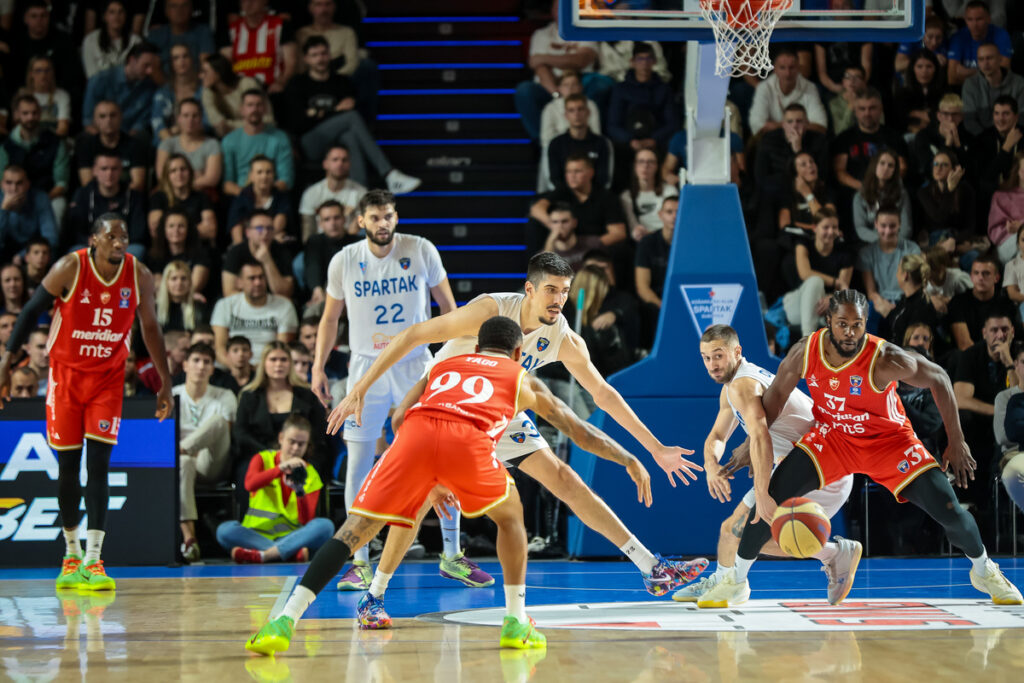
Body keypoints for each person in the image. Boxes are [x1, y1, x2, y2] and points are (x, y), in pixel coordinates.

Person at [247, 315, 680, 653]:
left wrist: (430, 476)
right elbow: (580, 432)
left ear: (476, 345)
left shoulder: (445, 364)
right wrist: (627, 458)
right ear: (516, 351)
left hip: (414, 435)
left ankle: (283, 621)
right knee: (511, 519)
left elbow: (401, 417)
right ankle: (516, 622)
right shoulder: (521, 377)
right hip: (468, 441)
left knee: (353, 532)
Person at [327, 252, 708, 625]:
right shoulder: (489, 311)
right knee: (421, 500)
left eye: (564, 291)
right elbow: (415, 334)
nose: (558, 299)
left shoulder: (563, 337)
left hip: (499, 410)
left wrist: (654, 447)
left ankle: (652, 567)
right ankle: (375, 594)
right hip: (449, 404)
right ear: (529, 289)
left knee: (562, 477)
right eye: (550, 290)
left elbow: (604, 395)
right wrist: (360, 387)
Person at [696, 289, 1022, 608]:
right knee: (768, 498)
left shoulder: (884, 357)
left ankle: (984, 569)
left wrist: (956, 440)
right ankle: (736, 581)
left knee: (949, 509)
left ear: (866, 322)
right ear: (829, 321)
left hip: (889, 443)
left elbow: (938, 378)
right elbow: (774, 401)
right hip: (834, 438)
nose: (850, 333)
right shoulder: (805, 352)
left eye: (858, 325)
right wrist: (745, 445)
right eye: (842, 324)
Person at [0, 213, 173, 591]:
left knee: (98, 465)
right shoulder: (70, 267)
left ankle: (94, 559)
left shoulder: (138, 273)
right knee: (67, 467)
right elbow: (29, 313)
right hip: (66, 378)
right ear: (93, 240)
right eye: (111, 236)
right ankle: (71, 553)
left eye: (124, 236)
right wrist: (6, 361)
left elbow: (150, 327)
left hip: (108, 381)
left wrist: (164, 381)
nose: (119, 242)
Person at [310, 189, 459, 592]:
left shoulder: (420, 249)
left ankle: (453, 553)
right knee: (358, 460)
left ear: (396, 217)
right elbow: (329, 318)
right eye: (375, 218)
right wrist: (318, 365)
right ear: (361, 221)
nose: (383, 224)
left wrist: (451, 356)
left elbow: (450, 309)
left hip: (415, 366)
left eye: (389, 216)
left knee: (440, 454)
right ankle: (358, 560)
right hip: (366, 368)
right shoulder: (344, 260)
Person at [676, 325, 855, 604]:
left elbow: (760, 438)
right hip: (799, 465)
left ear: (737, 352)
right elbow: (717, 437)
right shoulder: (731, 389)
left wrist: (762, 493)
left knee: (749, 531)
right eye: (706, 357)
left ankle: (738, 583)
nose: (712, 364)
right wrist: (711, 465)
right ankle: (724, 579)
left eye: (718, 356)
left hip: (824, 470)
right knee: (730, 530)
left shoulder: (743, 385)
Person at [284, 36, 419, 193]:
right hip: (311, 144)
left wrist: (318, 113)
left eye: (323, 53)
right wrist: (335, 112)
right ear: (306, 59)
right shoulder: (298, 83)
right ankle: (389, 174)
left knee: (350, 135)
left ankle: (360, 196)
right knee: (350, 118)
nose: (320, 59)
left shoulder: (341, 82)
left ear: (329, 55)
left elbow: (356, 113)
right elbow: (297, 123)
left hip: (339, 141)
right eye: (314, 55)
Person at [219, 413, 332, 563]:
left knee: (325, 526)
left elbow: (307, 519)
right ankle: (286, 553)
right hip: (255, 533)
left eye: (301, 444)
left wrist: (299, 492)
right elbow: (250, 484)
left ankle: (264, 555)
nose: (295, 448)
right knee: (225, 530)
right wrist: (279, 469)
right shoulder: (262, 459)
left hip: (292, 535)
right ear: (281, 438)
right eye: (291, 441)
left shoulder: (310, 472)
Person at [233, 342, 328, 498]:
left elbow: (318, 432)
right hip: (260, 455)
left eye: (283, 360)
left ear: (290, 364)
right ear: (264, 363)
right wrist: (273, 454)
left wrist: (298, 452)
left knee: (314, 469)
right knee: (245, 471)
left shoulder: (306, 395)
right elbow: (240, 433)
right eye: (273, 359)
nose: (279, 364)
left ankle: (307, 519)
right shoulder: (249, 396)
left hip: (301, 454)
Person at [175, 341, 237, 562]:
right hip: (183, 465)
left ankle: (181, 449)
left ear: (212, 368)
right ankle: (189, 538)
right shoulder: (173, 395)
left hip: (212, 463)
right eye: (196, 360)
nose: (201, 366)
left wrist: (185, 447)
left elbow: (225, 432)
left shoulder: (225, 395)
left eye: (207, 362)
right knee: (183, 463)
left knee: (219, 421)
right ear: (185, 365)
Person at [953, 312, 1017, 501]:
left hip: (1012, 425)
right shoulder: (971, 355)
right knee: (964, 419)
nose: (1000, 335)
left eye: (1004, 329)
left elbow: (1018, 398)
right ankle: (971, 502)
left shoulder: (1019, 354)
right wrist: (999, 411)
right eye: (994, 330)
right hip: (980, 425)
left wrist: (1008, 363)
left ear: (1012, 332)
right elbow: (961, 399)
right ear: (984, 333)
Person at [782, 208, 854, 336]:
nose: (831, 232)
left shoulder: (845, 253)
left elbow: (843, 287)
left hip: (825, 307)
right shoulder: (803, 244)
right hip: (797, 304)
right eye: (825, 227)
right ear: (815, 228)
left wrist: (832, 298)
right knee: (815, 282)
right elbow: (805, 273)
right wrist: (834, 281)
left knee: (839, 305)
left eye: (834, 227)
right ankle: (808, 340)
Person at [211, 260, 297, 365]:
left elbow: (282, 349)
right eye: (252, 278)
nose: (258, 282)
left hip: (270, 369)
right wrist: (239, 369)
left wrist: (260, 372)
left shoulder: (284, 306)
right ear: (239, 282)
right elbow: (219, 348)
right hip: (232, 370)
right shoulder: (225, 305)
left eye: (261, 277)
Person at [2, 95, 70, 227]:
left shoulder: (55, 142)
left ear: (40, 114)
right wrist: (15, 199)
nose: (30, 117)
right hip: (14, 194)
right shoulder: (6, 146)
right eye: (25, 113)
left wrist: (41, 201)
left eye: (34, 113)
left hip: (48, 196)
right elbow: (1, 181)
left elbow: (61, 183)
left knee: (59, 205)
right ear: (16, 115)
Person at [65, 151, 147, 258]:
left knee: (137, 250)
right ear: (94, 171)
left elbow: (138, 232)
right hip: (92, 245)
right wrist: (88, 240)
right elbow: (75, 229)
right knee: (75, 252)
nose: (109, 174)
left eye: (114, 169)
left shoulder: (133, 196)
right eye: (104, 169)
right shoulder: (83, 194)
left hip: (123, 246)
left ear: (121, 171)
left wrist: (118, 242)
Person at [606, 42, 678, 152]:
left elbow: (672, 123)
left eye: (648, 59)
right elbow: (612, 124)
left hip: (656, 144)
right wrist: (630, 140)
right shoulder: (620, 89)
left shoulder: (664, 89)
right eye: (640, 59)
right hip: (627, 145)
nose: (644, 63)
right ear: (632, 62)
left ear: (654, 61)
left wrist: (654, 139)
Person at [221, 89, 294, 196]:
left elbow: (286, 179)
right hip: (242, 196)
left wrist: (264, 195)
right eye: (250, 105)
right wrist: (249, 197)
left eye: (259, 105)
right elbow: (227, 183)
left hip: (273, 195)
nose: (254, 109)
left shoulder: (280, 138)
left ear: (265, 109)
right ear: (242, 109)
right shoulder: (229, 141)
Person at [82, 41, 161, 137]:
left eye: (153, 67)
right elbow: (88, 122)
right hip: (100, 138)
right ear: (132, 60)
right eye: (146, 65)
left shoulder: (150, 86)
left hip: (129, 141)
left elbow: (139, 126)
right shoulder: (101, 80)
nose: (150, 71)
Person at [754, 104, 829, 199]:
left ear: (807, 124)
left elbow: (821, 176)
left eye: (799, 121)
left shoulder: (819, 140)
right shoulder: (768, 140)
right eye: (790, 122)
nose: (794, 125)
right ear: (783, 125)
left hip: (809, 191)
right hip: (777, 192)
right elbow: (761, 178)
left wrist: (798, 150)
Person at [543, 93, 614, 192]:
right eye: (571, 110)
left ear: (588, 112)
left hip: (595, 197)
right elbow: (554, 178)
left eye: (580, 109)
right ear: (566, 115)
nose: (576, 114)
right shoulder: (556, 144)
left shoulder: (602, 143)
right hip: (564, 196)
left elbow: (604, 178)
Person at [859, 207, 922, 319]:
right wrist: (883, 304)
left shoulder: (912, 249)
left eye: (892, 226)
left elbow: (916, 286)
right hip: (880, 302)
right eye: (883, 226)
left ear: (899, 225)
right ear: (876, 225)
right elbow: (871, 291)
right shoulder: (866, 253)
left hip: (907, 300)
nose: (887, 231)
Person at [948, 252, 1018, 349]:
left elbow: (1015, 339)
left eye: (986, 273)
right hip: (969, 359)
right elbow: (964, 345)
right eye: (976, 273)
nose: (980, 278)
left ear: (996, 278)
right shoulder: (958, 302)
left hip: (1002, 357)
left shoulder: (1007, 305)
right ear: (971, 277)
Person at [749, 49, 828, 135]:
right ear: (775, 69)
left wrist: (777, 126)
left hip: (803, 140)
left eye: (792, 67)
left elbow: (821, 126)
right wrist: (800, 127)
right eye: (782, 68)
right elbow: (757, 125)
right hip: (773, 140)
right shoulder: (764, 88)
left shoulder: (809, 87)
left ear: (798, 68)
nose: (788, 73)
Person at [75, 101, 147, 192]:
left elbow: (138, 184)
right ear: (95, 121)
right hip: (97, 200)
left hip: (127, 199)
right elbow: (87, 183)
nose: (108, 120)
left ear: (121, 117)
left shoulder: (135, 145)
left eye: (112, 115)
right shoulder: (86, 146)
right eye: (102, 116)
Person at [297, 145, 366, 242]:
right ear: (325, 164)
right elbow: (307, 233)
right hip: (320, 245)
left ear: (349, 164)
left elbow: (364, 226)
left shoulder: (361, 193)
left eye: (344, 160)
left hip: (349, 244)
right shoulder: (311, 194)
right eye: (335, 159)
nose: (340, 163)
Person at [227, 0, 297, 93]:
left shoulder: (281, 26)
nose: (248, 3)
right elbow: (225, 65)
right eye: (244, 1)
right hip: (239, 90)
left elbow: (291, 63)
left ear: (265, 2)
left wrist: (281, 83)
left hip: (271, 89)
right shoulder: (232, 30)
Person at [154, 99, 223, 194]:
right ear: (179, 119)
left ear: (201, 118)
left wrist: (180, 181)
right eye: (185, 115)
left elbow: (211, 179)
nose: (190, 120)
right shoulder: (167, 144)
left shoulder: (212, 144)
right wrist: (196, 176)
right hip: (172, 194)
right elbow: (161, 176)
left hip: (201, 195)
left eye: (195, 116)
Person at [221, 210, 295, 297]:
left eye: (269, 228)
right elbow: (229, 292)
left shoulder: (282, 251)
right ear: (248, 232)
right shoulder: (235, 252)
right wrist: (258, 303)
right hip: (245, 305)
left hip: (275, 305)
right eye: (259, 228)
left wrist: (267, 261)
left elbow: (285, 293)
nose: (265, 232)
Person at [635, 197, 677, 347]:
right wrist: (662, 305)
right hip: (656, 301)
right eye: (669, 211)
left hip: (682, 299)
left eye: (678, 212)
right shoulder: (648, 243)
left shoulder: (692, 243)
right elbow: (642, 287)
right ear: (660, 215)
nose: (674, 216)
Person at [148, 153, 217, 243]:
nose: (179, 174)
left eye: (183, 169)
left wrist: (174, 231)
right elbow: (156, 231)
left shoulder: (201, 197)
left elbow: (211, 230)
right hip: (167, 251)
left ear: (190, 172)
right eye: (173, 171)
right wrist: (193, 229)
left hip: (197, 248)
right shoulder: (158, 198)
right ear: (167, 175)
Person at [200, 54, 275, 137]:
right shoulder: (208, 93)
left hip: (264, 133)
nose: (200, 76)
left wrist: (230, 126)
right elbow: (219, 126)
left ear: (218, 73)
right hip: (233, 138)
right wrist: (248, 124)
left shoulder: (247, 84)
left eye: (205, 72)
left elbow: (267, 120)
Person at [301, 200, 358, 306]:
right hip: (323, 295)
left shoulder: (356, 242)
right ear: (320, 224)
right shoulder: (315, 241)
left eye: (337, 218)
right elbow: (313, 265)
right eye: (327, 219)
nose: (333, 223)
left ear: (344, 219)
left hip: (353, 296)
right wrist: (317, 288)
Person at [962, 42, 1024, 137]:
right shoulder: (970, 84)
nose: (985, 63)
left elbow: (1022, 118)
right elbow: (969, 121)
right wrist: (989, 141)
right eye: (981, 59)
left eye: (989, 58)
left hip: (1014, 137)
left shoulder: (1019, 82)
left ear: (1000, 59)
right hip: (982, 140)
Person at [226, 156, 292, 244]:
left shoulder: (281, 197)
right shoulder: (241, 199)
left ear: (274, 175)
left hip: (274, 245)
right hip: (247, 246)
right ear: (251, 176)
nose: (264, 176)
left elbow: (278, 225)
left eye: (268, 172)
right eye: (259, 172)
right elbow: (237, 235)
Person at [947, 0, 1013, 87]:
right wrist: (989, 72)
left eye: (979, 19)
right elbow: (952, 79)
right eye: (970, 19)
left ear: (989, 19)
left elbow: (1003, 73)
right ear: (965, 20)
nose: (974, 24)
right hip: (966, 90)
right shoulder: (958, 37)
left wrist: (968, 72)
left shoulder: (1001, 35)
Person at [853, 150, 913, 244]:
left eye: (890, 165)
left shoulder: (902, 194)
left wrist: (894, 242)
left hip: (897, 243)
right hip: (871, 243)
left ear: (894, 170)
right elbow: (860, 228)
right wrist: (882, 241)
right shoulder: (860, 196)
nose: (885, 168)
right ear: (874, 165)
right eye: (882, 163)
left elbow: (906, 228)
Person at [0, 165, 58, 263]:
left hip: (32, 254)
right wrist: (4, 210)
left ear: (27, 184)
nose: (14, 188)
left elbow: (51, 238)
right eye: (9, 183)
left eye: (19, 183)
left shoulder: (40, 198)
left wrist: (23, 255)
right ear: (2, 185)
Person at [916, 149, 976, 243]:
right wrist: (949, 190)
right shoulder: (924, 192)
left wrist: (955, 241)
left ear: (954, 169)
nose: (938, 168)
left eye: (944, 165)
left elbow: (969, 227)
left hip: (957, 238)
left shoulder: (966, 190)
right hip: (934, 239)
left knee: (972, 255)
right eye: (936, 164)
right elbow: (939, 218)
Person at [885, 253, 942, 347]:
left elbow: (917, 347)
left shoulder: (922, 307)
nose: (896, 275)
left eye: (898, 270)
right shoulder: (905, 300)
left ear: (905, 275)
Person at [147, 209, 211, 292]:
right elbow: (157, 286)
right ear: (164, 230)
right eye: (171, 226)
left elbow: (195, 285)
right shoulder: (154, 256)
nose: (176, 230)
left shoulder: (201, 254)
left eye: (181, 226)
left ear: (189, 230)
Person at [150, 44, 203, 143]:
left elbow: (207, 123)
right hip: (168, 143)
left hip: (198, 141)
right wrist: (172, 143)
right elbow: (157, 122)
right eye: (176, 58)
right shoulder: (163, 93)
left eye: (185, 56)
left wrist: (177, 129)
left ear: (192, 59)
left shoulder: (202, 90)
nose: (181, 61)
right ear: (171, 63)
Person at [621, 149, 676, 240]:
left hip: (666, 238)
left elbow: (673, 222)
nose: (645, 166)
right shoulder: (626, 196)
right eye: (641, 161)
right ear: (635, 166)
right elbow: (633, 229)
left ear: (657, 166)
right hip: (642, 241)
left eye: (650, 162)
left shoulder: (669, 191)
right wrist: (639, 233)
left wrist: (651, 234)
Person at [145, 0, 215, 73]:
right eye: (174, 6)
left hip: (195, 82)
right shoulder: (155, 35)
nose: (179, 10)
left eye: (184, 5)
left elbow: (206, 67)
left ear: (191, 9)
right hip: (160, 82)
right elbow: (148, 67)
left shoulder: (203, 32)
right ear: (166, 10)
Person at [539, 70, 601, 149]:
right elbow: (546, 139)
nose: (570, 88)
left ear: (580, 87)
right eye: (566, 85)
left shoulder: (590, 105)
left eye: (574, 84)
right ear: (559, 88)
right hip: (559, 151)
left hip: (586, 149)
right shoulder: (550, 108)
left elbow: (596, 133)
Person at [81, 0, 141, 79]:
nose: (117, 16)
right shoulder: (90, 41)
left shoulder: (136, 41)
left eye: (121, 12)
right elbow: (91, 76)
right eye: (112, 12)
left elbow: (137, 73)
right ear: (104, 16)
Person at [892, 50, 945, 135]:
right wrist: (930, 115)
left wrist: (917, 114)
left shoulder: (943, 92)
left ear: (935, 69)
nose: (924, 71)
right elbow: (899, 120)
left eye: (929, 66)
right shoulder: (902, 93)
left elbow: (945, 117)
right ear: (913, 69)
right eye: (919, 67)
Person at [22, 56, 72, 138]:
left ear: (52, 72)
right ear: (31, 73)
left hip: (53, 139)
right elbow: (18, 127)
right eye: (38, 70)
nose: (43, 74)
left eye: (47, 70)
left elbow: (63, 128)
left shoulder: (62, 95)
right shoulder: (23, 96)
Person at [989, 150, 1024, 263]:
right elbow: (994, 231)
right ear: (1018, 171)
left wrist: (1021, 227)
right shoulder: (1001, 196)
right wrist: (1011, 230)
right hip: (1008, 242)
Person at [155, 260, 206, 332]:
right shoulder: (154, 309)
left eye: (183, 278)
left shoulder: (200, 308)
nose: (179, 283)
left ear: (190, 282)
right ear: (166, 282)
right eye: (174, 278)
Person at [543, 202, 594, 271]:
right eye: (555, 222)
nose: (560, 226)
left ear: (574, 223)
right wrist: (550, 242)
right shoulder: (544, 253)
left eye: (564, 221)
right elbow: (543, 277)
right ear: (550, 225)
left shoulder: (593, 244)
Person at [827, 64, 866, 136]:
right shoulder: (834, 103)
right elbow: (840, 132)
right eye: (848, 77)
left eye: (857, 77)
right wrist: (850, 107)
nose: (852, 81)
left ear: (863, 82)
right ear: (843, 81)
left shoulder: (872, 100)